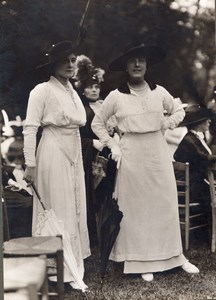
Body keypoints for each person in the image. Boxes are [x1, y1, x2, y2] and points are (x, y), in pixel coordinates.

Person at [91, 44, 199, 282]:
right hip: (132, 154)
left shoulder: (159, 92)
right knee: (136, 207)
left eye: (141, 61)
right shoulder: (116, 96)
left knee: (164, 201)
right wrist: (113, 145)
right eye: (132, 61)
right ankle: (141, 260)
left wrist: (167, 124)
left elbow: (178, 112)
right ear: (126, 67)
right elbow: (97, 124)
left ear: (147, 65)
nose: (137, 65)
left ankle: (175, 257)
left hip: (157, 151)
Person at [23, 41, 90, 288]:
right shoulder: (41, 90)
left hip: (74, 153)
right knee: (57, 208)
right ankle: (58, 270)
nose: (70, 65)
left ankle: (74, 265)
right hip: (52, 151)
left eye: (73, 60)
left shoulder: (73, 92)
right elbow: (30, 128)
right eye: (65, 59)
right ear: (53, 63)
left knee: (74, 207)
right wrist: (30, 164)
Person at [74, 55, 117, 247]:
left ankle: (109, 233)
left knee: (109, 193)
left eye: (96, 86)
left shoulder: (104, 105)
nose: (93, 89)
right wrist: (92, 143)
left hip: (108, 155)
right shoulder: (80, 109)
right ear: (82, 88)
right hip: (88, 157)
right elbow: (75, 136)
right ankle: (92, 237)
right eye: (90, 86)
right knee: (92, 196)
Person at [174, 104, 216, 215]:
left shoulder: (195, 138)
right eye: (206, 119)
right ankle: (211, 228)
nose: (209, 121)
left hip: (197, 183)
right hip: (193, 188)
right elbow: (204, 158)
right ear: (198, 123)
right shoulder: (190, 140)